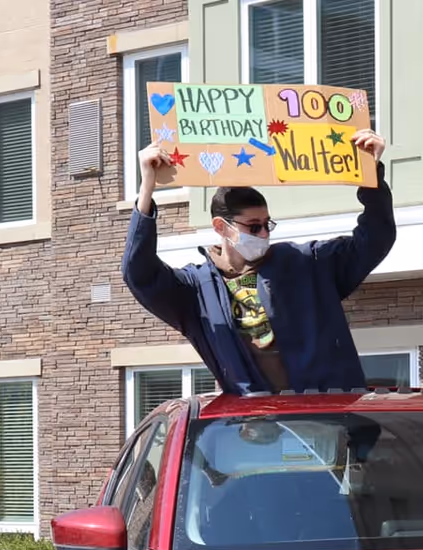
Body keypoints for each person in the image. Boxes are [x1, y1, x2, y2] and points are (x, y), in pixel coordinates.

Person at [122, 134, 395, 396]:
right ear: (222, 227)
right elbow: (139, 274)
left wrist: (371, 174)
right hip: (256, 430)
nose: (264, 235)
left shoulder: (306, 264)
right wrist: (147, 187)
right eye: (254, 227)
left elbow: (374, 239)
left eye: (267, 225)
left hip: (328, 422)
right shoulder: (196, 291)